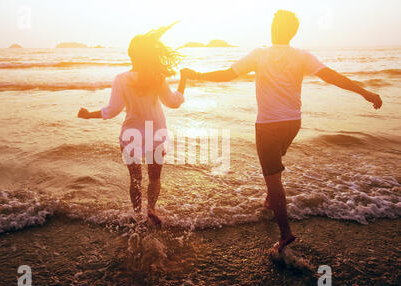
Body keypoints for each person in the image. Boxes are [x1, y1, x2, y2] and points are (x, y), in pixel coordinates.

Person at [183, 10, 382, 253]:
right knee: (274, 166)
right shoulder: (302, 56)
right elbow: (332, 77)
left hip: (268, 125)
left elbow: (228, 74)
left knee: (273, 177)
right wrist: (365, 92)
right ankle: (270, 199)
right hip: (293, 123)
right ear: (292, 32)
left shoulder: (259, 54)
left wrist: (198, 75)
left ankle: (285, 233)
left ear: (273, 27)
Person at [78, 23, 188, 227]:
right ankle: (151, 209)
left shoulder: (121, 79)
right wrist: (184, 81)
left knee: (135, 180)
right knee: (154, 179)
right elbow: (173, 102)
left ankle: (137, 216)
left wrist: (88, 115)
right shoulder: (157, 78)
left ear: (131, 54)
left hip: (130, 136)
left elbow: (111, 111)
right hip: (155, 136)